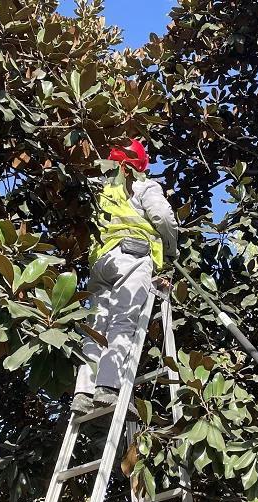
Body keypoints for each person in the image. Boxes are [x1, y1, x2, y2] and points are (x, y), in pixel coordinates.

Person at [71, 138, 178, 415]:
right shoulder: (143, 185)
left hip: (100, 263)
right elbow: (163, 217)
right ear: (140, 164)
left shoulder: (102, 191)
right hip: (132, 256)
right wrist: (170, 249)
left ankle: (83, 392)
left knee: (95, 327)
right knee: (123, 320)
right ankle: (108, 388)